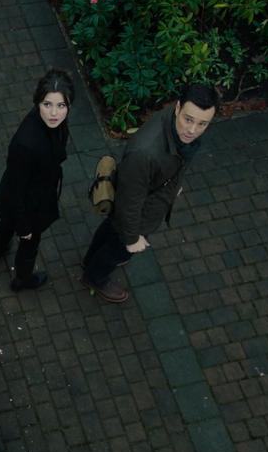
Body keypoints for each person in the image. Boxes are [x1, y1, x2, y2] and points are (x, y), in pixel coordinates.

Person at [81, 84, 219, 302]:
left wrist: (174, 183)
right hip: (137, 214)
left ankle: (91, 261)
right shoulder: (145, 154)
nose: (192, 130)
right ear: (178, 108)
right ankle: (94, 278)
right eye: (188, 119)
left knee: (110, 231)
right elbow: (129, 203)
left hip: (148, 200)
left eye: (203, 123)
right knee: (119, 248)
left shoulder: (176, 128)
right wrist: (132, 239)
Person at [0, 69, 74, 291]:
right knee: (29, 244)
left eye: (61, 106)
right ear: (38, 103)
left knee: (5, 225)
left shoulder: (50, 123)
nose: (54, 113)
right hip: (26, 206)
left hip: (19, 199)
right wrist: (24, 225)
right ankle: (22, 279)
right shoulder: (25, 144)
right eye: (47, 105)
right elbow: (18, 190)